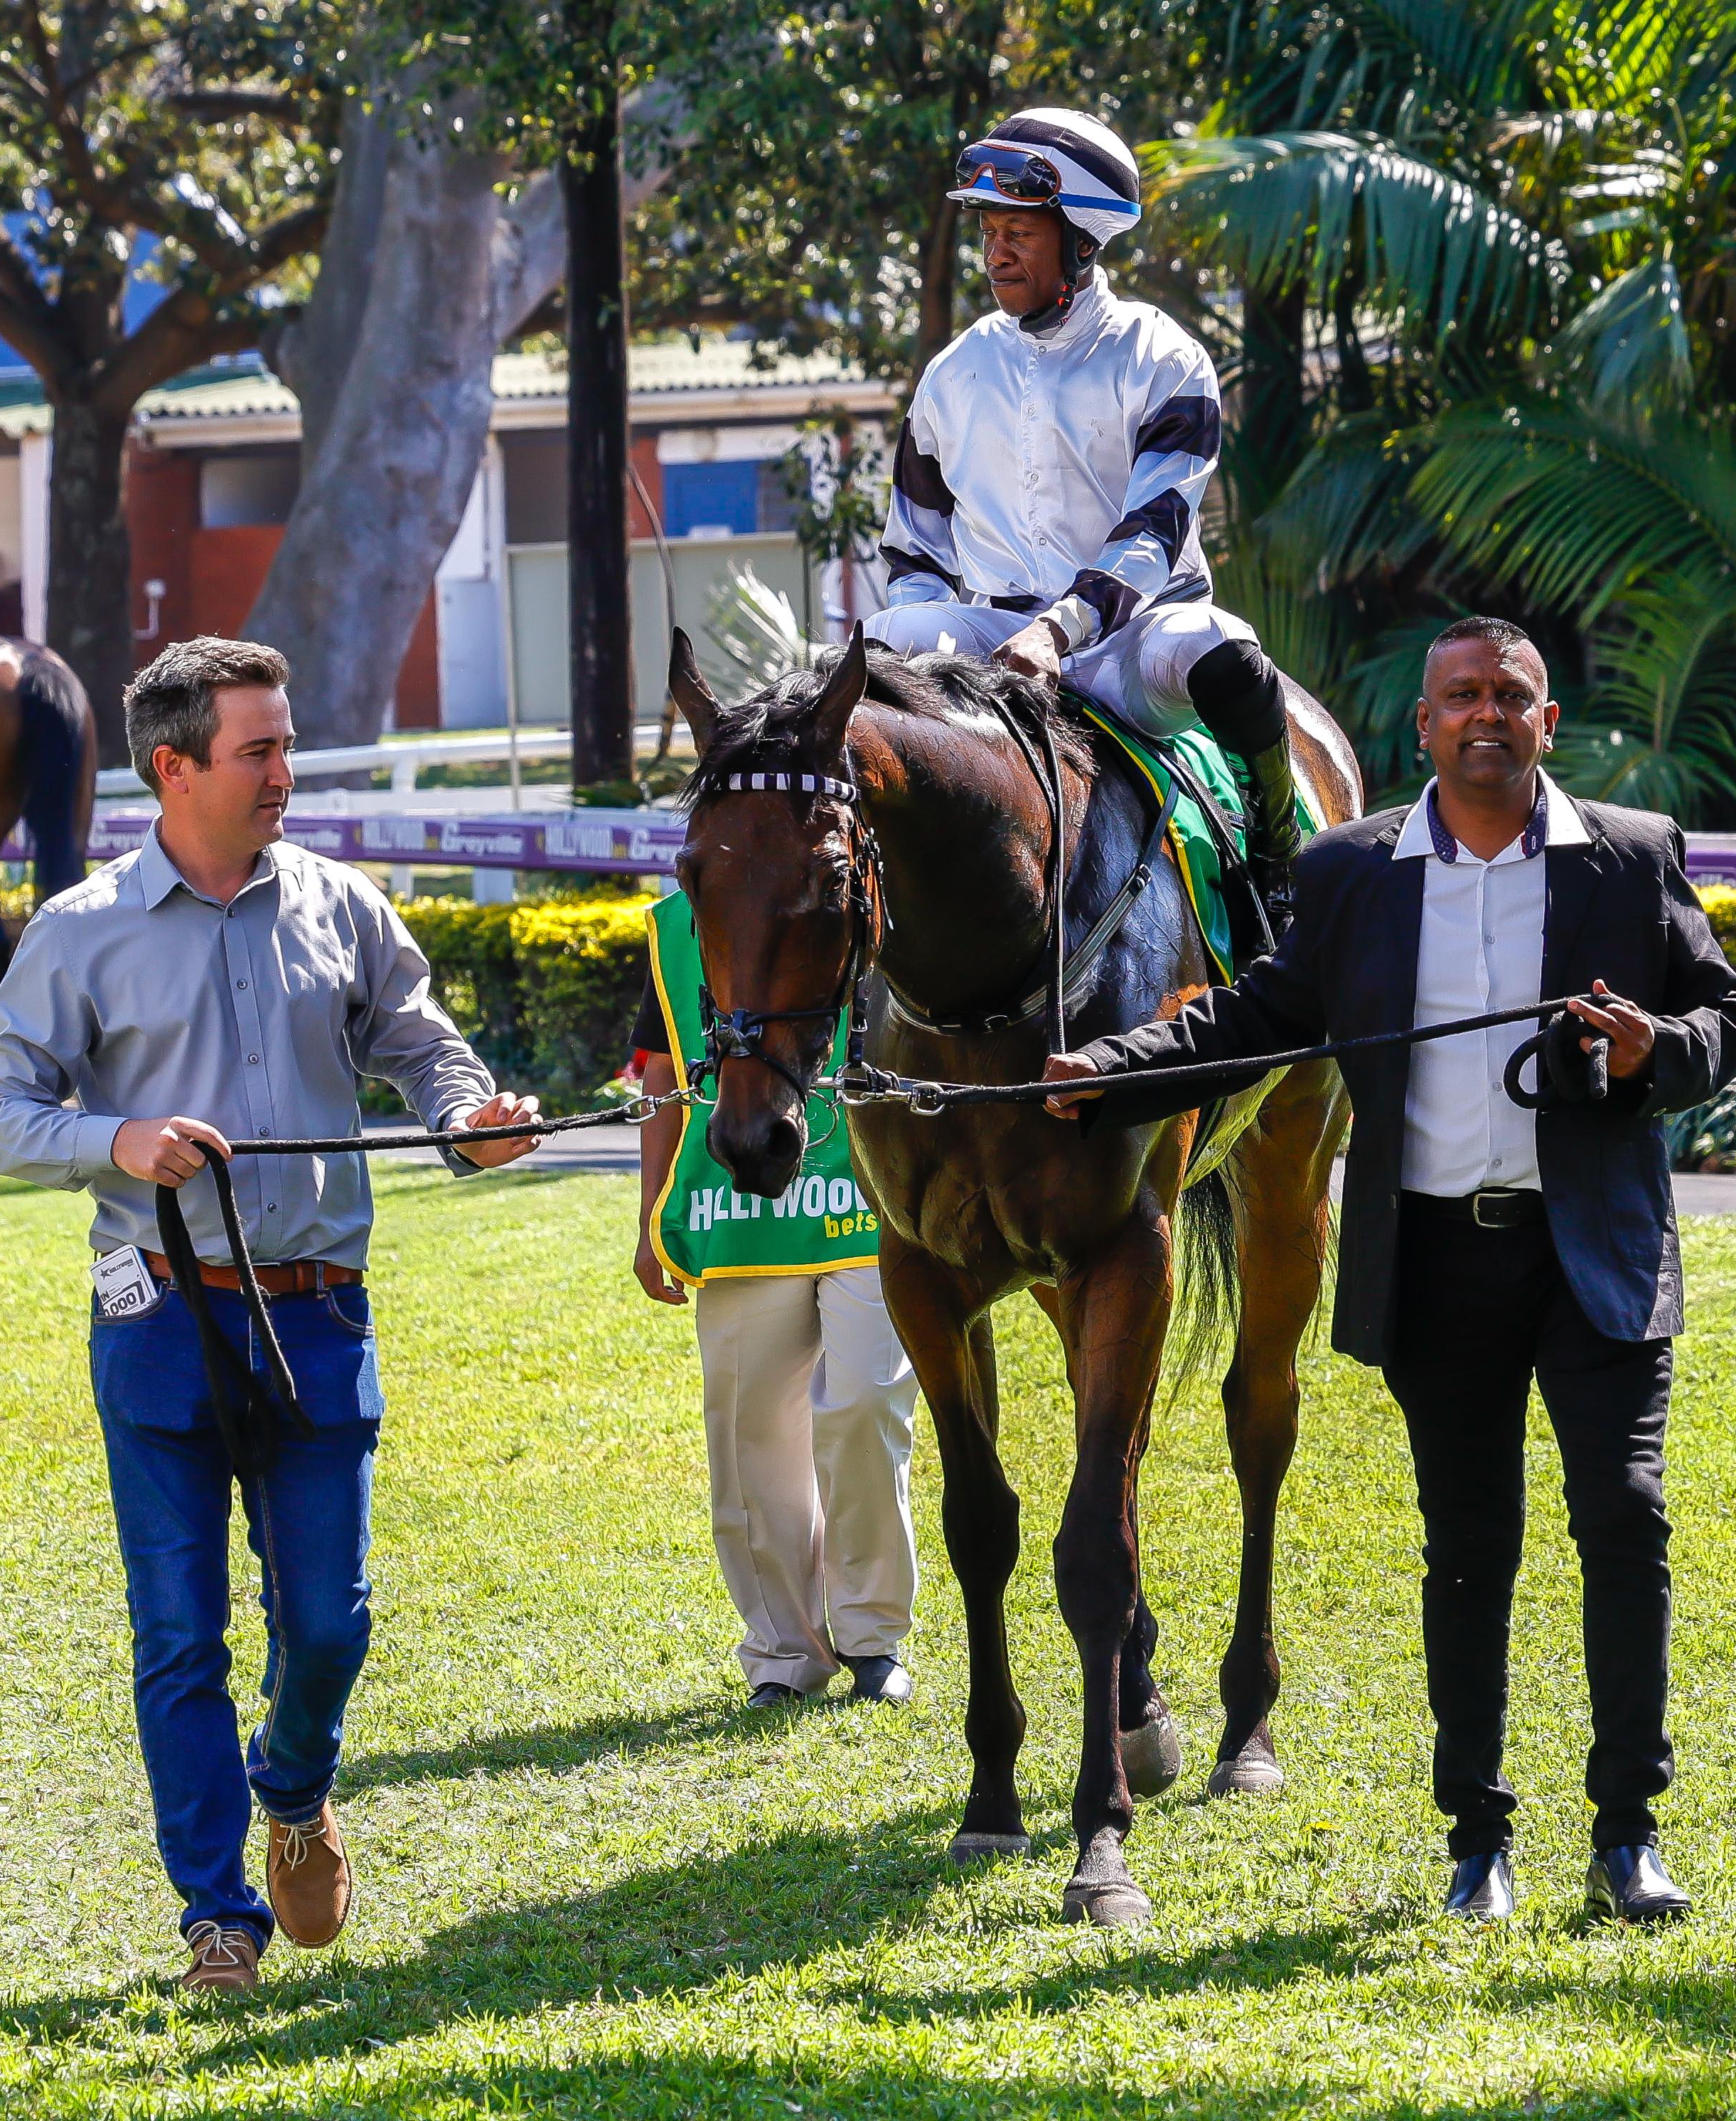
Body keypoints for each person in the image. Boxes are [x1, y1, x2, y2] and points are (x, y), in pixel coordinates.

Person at [1041, 616, 1736, 1927]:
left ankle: (1627, 1834)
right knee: (1467, 1546)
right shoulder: (1350, 872)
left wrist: (1655, 1047)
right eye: (1461, 694)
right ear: (1422, 726)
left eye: (1510, 694)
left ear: (1545, 722)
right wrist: (1108, 1070)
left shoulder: (1630, 854)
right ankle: (1477, 1842)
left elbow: (1729, 1016)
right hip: (1435, 1259)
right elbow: (1255, 1015)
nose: (1486, 712)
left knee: (1624, 1520)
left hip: (1594, 1249)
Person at [0, 636, 543, 1994]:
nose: (286, 771)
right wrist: (117, 1140)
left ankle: (292, 1785)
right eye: (260, 749)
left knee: (329, 1623)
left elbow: (420, 1042)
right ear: (174, 768)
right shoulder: (80, 927)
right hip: (158, 1318)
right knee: (178, 1631)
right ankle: (217, 1918)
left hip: (319, 1314)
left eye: (287, 744)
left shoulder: (341, 904)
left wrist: (467, 1114)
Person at [861, 107, 1307, 897]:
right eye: (988, 233)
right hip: (995, 639)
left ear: (1083, 240)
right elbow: (914, 549)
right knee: (871, 646)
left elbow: (1152, 536)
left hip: (1137, 639)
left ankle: (1279, 861)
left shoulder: (1165, 356)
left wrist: (1058, 631)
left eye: (1018, 234)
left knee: (1225, 651)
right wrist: (930, 668)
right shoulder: (952, 372)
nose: (995, 255)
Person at [629, 889, 920, 1709]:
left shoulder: (874, 895)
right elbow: (662, 1068)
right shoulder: (678, 925)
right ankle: (786, 1653)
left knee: (865, 1404)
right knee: (749, 1440)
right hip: (736, 1215)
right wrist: (651, 1217)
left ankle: (872, 1639)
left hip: (867, 1204)